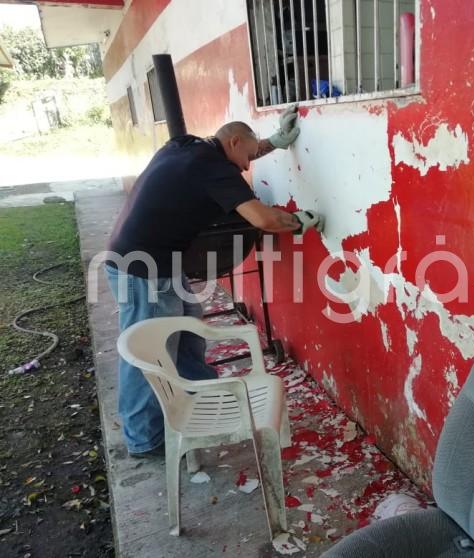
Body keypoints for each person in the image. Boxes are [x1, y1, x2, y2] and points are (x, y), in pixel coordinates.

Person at [105, 105, 322, 457]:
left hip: (149, 258)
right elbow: (263, 220)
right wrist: (301, 221)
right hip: (144, 269)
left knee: (189, 324)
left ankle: (201, 396)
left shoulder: (186, 145)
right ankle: (145, 440)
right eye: (247, 158)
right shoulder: (217, 169)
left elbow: (238, 152)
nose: (247, 167)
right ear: (234, 142)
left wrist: (276, 142)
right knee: (149, 353)